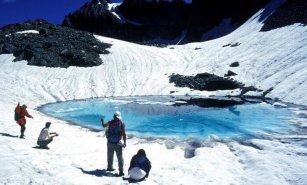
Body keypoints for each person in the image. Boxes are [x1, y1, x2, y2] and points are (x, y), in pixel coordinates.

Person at [101, 111, 127, 176]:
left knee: (110, 156)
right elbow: (124, 134)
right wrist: (125, 142)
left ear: (114, 116)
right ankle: (121, 172)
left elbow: (104, 126)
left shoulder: (110, 122)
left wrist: (102, 120)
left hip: (110, 142)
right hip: (118, 143)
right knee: (120, 158)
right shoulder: (121, 123)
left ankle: (109, 167)